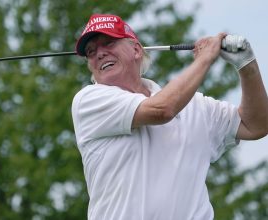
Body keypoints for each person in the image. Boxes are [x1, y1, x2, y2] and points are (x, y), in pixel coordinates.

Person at [71, 14, 268, 220]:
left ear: (136, 50)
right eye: (91, 52)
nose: (99, 54)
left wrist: (247, 65)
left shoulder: (194, 105)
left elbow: (255, 125)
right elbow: (162, 110)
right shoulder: (89, 100)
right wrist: (205, 59)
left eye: (108, 43)